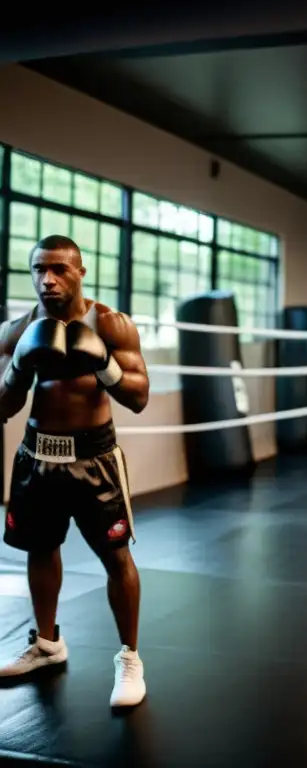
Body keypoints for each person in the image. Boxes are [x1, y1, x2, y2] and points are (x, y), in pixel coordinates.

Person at [0, 235, 150, 708]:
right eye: (39, 269)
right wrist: (18, 370)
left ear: (80, 272)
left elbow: (139, 397)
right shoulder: (19, 329)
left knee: (116, 556)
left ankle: (130, 658)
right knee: (40, 550)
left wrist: (103, 363)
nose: (48, 279)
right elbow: (3, 405)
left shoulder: (110, 324)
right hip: (37, 456)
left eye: (60, 269)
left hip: (95, 459)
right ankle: (47, 644)